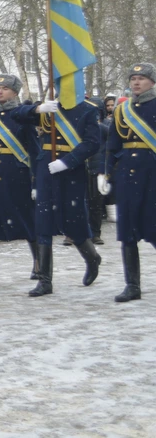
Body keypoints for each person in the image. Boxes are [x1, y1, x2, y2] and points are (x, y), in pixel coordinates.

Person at [11, 92, 101, 296]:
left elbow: (92, 142)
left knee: (73, 221)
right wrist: (37, 109)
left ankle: (92, 258)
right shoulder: (48, 107)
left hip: (72, 170)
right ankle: (45, 280)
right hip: (45, 168)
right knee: (43, 221)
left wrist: (67, 162)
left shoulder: (88, 110)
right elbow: (15, 115)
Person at [0, 74, 40, 288]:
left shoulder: (22, 116)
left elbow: (33, 149)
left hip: (17, 173)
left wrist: (36, 181)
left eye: (5, 88)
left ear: (15, 92)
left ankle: (39, 264)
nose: (0, 91)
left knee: (28, 219)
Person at [100, 63, 156, 302]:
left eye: (142, 78)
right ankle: (132, 285)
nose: (136, 82)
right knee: (127, 232)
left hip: (152, 174)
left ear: (152, 82)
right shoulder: (123, 110)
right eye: (133, 78)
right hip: (127, 176)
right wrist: (106, 174)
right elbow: (113, 145)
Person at [85, 98, 107, 245]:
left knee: (96, 203)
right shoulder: (79, 128)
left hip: (97, 168)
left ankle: (96, 233)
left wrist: (103, 170)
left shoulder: (104, 129)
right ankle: (75, 233)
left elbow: (108, 150)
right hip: (81, 167)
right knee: (79, 202)